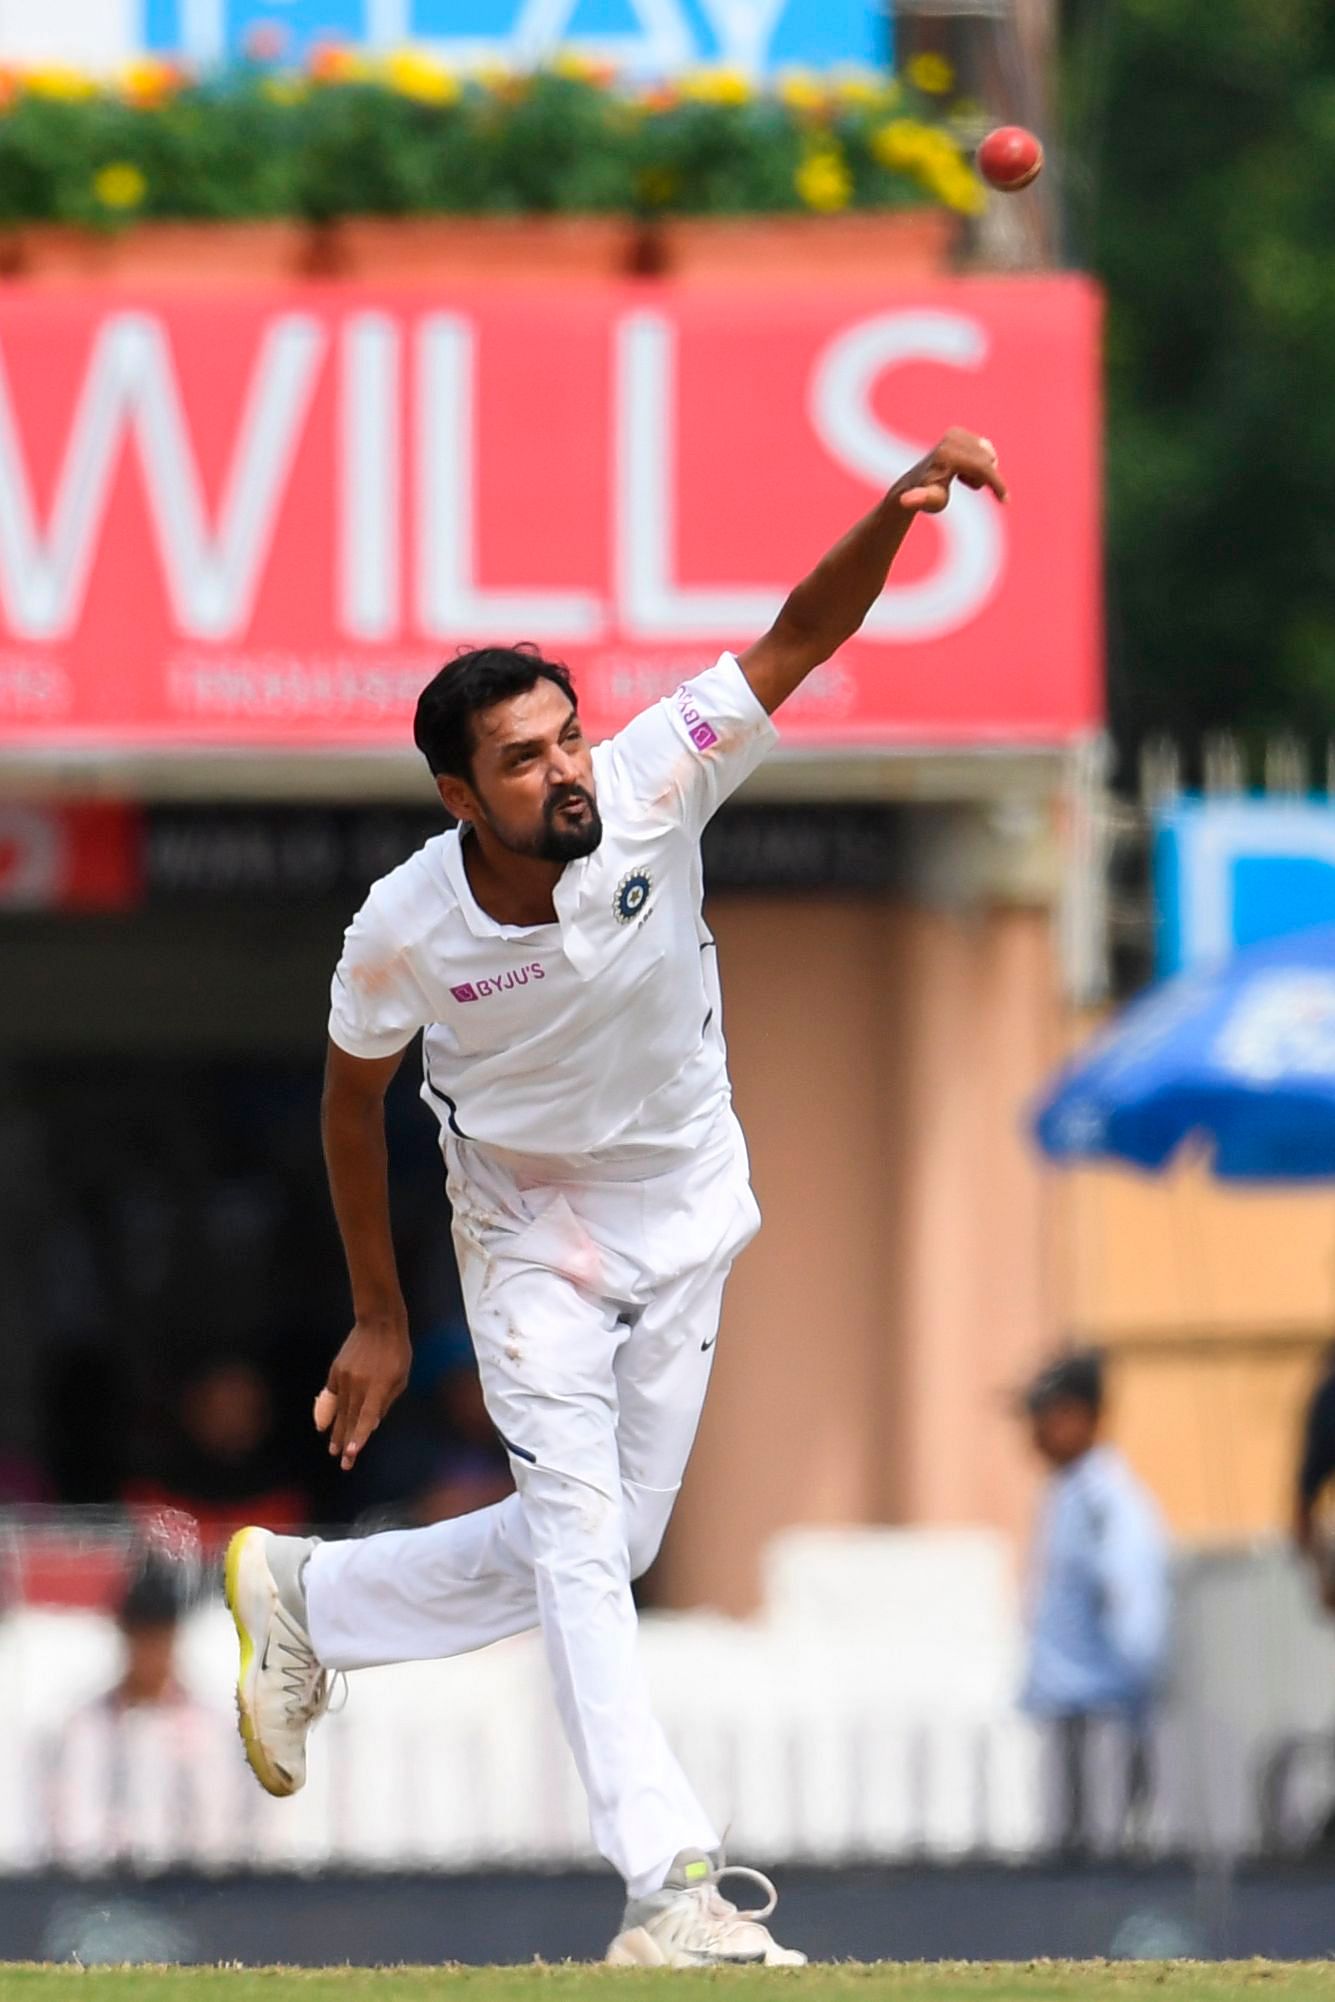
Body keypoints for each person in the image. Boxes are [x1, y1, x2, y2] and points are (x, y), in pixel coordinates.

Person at [223, 428, 1007, 1965]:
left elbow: (794, 632)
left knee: (603, 1541)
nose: (566, 766)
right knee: (578, 1542)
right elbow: (349, 1094)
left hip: (688, 1207)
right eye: (523, 758)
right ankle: (666, 1886)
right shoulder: (401, 926)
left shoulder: (656, 781)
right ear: (458, 791)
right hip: (522, 1238)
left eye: (566, 735)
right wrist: (381, 1314)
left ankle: (311, 1597)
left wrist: (890, 512)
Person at [1017, 1350, 1171, 1857]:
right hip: (1069, 1717)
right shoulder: (1067, 1494)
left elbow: (1136, 1606)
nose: (1034, 1431)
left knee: (1102, 1863)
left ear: (1082, 1416)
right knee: (1068, 1857)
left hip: (1104, 1716)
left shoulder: (1108, 1501)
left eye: (1047, 1415)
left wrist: (1134, 1697)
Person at [46, 1562, 237, 1867]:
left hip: (190, 1895)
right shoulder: (88, 1727)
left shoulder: (207, 1728)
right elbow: (72, 1831)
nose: (150, 1651)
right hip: (106, 1896)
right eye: (141, 1636)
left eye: (159, 1637)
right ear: (125, 1636)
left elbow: (219, 1831)